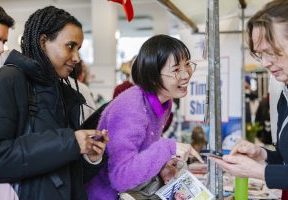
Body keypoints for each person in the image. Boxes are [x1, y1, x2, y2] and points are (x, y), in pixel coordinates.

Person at [0, 6, 108, 200]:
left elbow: (68, 175)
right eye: (70, 46)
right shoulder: (9, 79)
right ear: (43, 42)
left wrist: (91, 159)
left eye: (79, 49)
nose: (76, 58)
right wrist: (70, 142)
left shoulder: (65, 94)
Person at [86, 34, 203, 200]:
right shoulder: (131, 107)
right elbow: (121, 177)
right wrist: (167, 148)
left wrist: (161, 165)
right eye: (176, 70)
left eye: (187, 65)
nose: (186, 75)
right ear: (153, 77)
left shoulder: (164, 102)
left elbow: (143, 149)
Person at [211, 0, 288, 199]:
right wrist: (263, 156)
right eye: (260, 54)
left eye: (273, 51)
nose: (265, 63)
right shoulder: (287, 94)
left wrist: (260, 172)